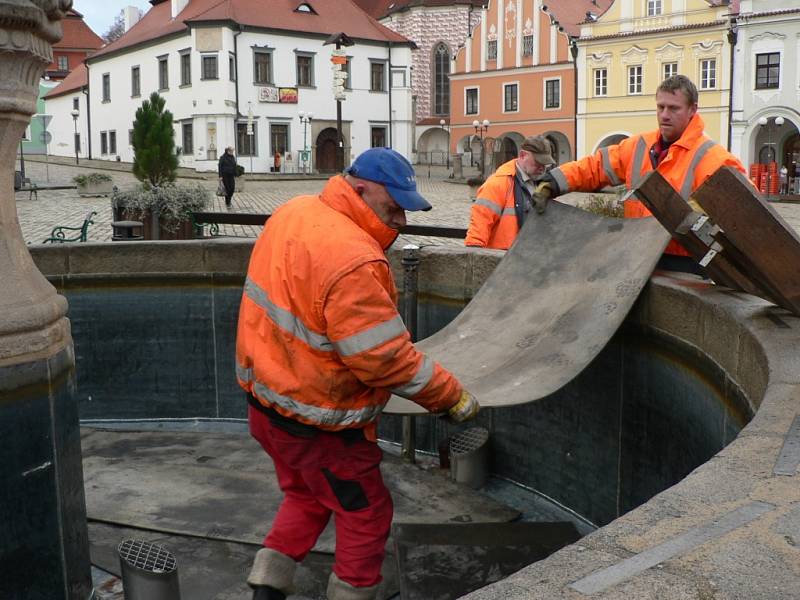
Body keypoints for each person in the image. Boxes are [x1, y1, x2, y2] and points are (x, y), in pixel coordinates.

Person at [235, 147, 480, 600]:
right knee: (365, 514)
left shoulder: (294, 212)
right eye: (394, 208)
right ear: (361, 188)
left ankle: (268, 584)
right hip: (320, 425)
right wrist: (451, 398)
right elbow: (384, 359)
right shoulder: (353, 258)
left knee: (306, 496)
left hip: (267, 408)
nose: (401, 221)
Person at [534, 74, 747, 272]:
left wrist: (709, 213)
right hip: (636, 256)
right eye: (660, 107)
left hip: (684, 263)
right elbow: (595, 166)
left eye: (674, 108)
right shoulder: (639, 146)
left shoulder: (714, 159)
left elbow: (747, 213)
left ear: (693, 110)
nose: (664, 115)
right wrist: (554, 181)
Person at [465, 135, 555, 249]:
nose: (542, 167)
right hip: (503, 259)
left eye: (545, 163)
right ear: (522, 155)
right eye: (538, 162)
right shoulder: (498, 183)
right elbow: (478, 229)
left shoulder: (544, 184)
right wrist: (476, 259)